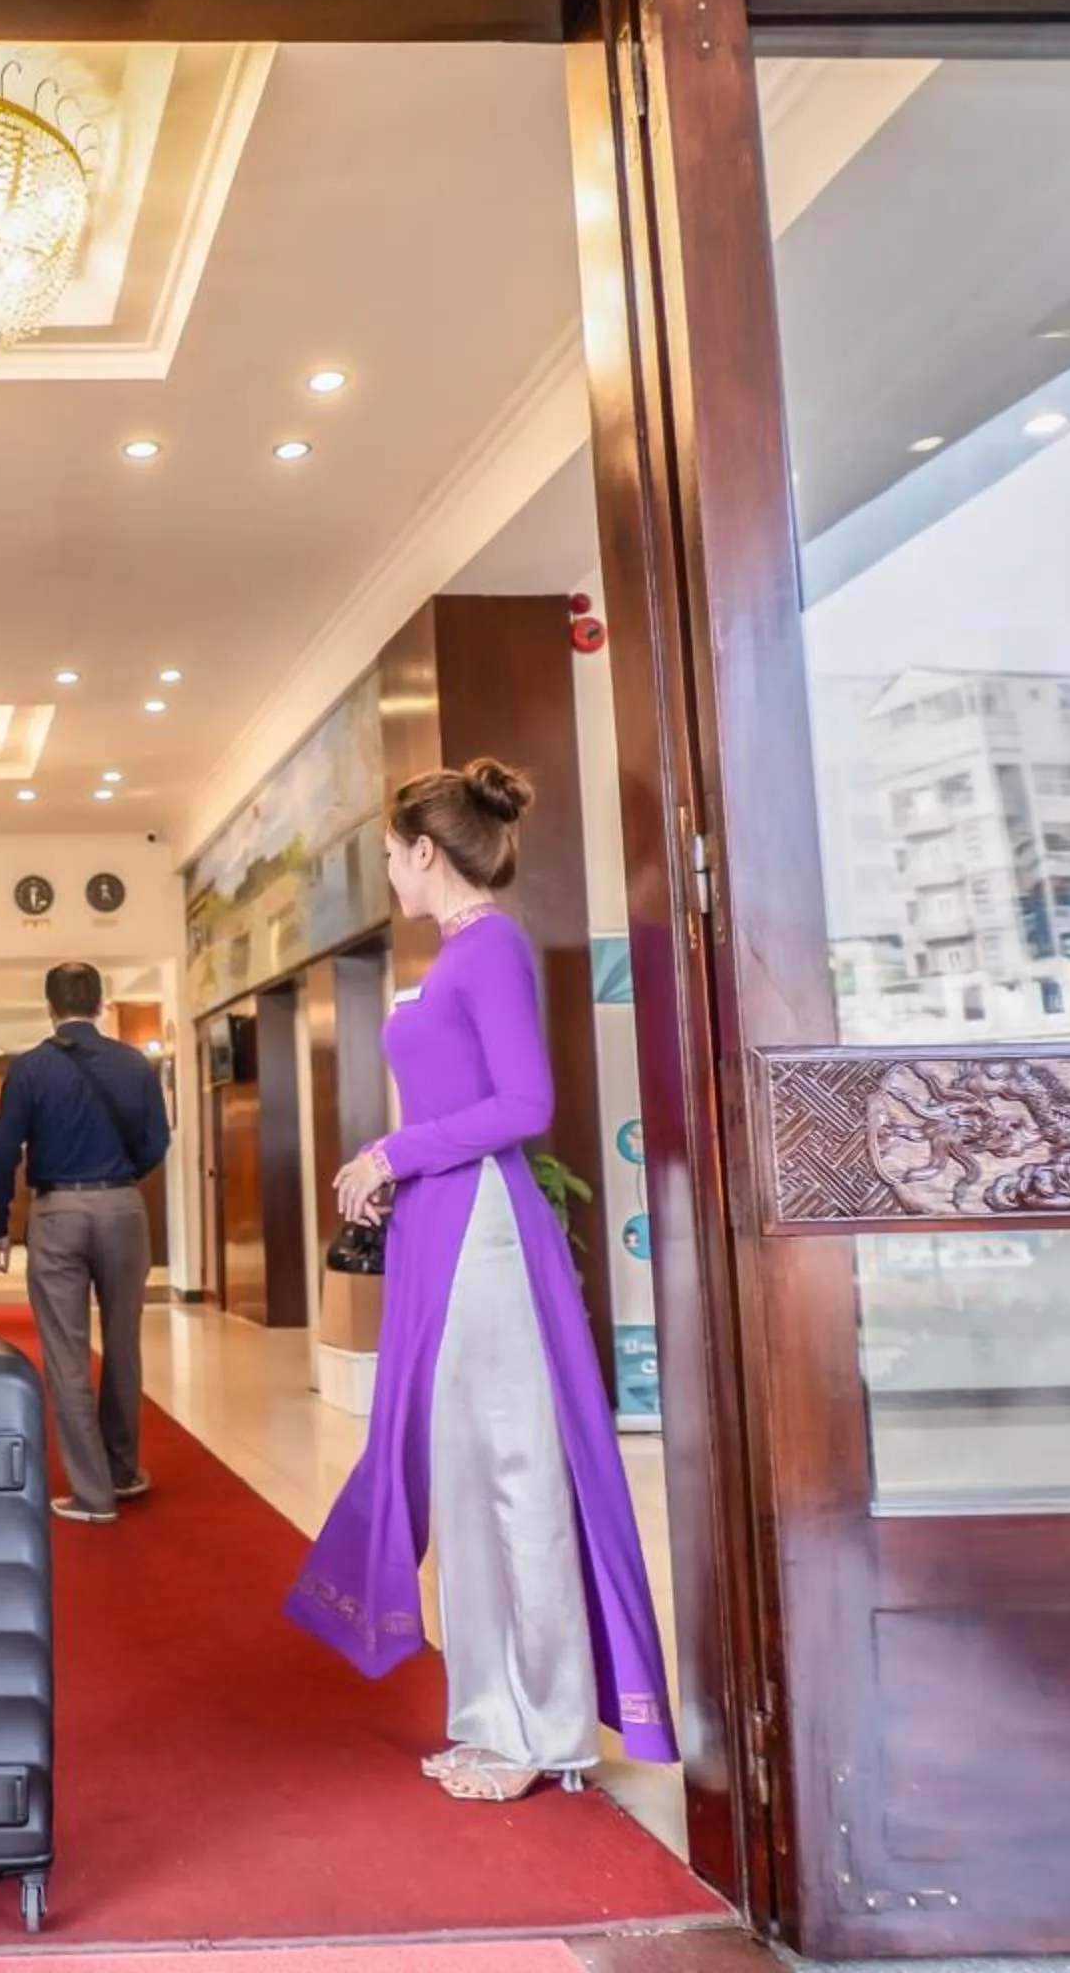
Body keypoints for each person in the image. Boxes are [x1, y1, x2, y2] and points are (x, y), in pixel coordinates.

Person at [284, 759, 677, 1801]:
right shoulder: (455, 953)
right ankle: (491, 1715)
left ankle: (545, 1729)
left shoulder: (491, 947)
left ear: (425, 850)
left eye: (388, 855)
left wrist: (397, 1157)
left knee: (513, 1473)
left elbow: (525, 1103)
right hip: (442, 1226)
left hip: (487, 1232)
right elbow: (459, 1097)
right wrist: (386, 1158)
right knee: (462, 1475)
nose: (387, 873)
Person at [0, 962, 170, 1526]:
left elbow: (4, 1152)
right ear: (101, 1003)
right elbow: (156, 1140)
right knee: (123, 1343)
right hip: (122, 1208)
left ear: (49, 1007)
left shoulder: (31, 1069)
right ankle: (123, 1470)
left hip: (58, 1211)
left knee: (66, 1355)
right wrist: (118, 1179)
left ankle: (93, 1494)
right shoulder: (135, 1064)